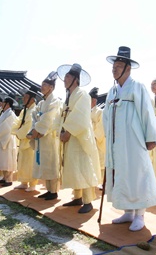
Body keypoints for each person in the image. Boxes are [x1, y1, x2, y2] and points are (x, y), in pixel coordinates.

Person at [102, 46, 156, 231]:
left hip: (133, 141)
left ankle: (140, 215)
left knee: (136, 174)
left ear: (128, 68)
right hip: (116, 142)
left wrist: (150, 137)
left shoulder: (137, 87)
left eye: (119, 65)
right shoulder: (112, 91)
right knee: (121, 174)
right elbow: (105, 116)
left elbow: (146, 112)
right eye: (114, 66)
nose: (115, 69)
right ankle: (128, 212)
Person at [57, 63, 101, 214]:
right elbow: (62, 116)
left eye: (68, 77)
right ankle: (77, 197)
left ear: (75, 79)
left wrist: (67, 132)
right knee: (73, 166)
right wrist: (60, 131)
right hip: (70, 137)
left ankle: (88, 201)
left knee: (83, 166)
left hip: (79, 136)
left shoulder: (82, 94)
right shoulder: (69, 97)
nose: (64, 79)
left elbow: (80, 116)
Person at [30, 71, 62, 200]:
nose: (42, 87)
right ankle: (48, 189)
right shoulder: (41, 103)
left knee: (51, 163)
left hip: (50, 137)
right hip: (41, 136)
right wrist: (34, 129)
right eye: (42, 84)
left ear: (51, 88)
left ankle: (54, 191)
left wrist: (39, 130)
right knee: (44, 163)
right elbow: (34, 116)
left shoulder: (55, 101)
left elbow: (50, 118)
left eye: (45, 85)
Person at [13, 86, 40, 192]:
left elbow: (29, 126)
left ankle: (32, 184)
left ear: (32, 99)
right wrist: (16, 132)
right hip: (23, 140)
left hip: (30, 141)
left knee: (30, 163)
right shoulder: (24, 110)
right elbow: (17, 123)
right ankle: (24, 182)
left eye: (26, 97)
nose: (23, 99)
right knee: (23, 162)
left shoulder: (34, 110)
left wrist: (18, 133)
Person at [0, 96, 18, 187]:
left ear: (7, 104)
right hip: (2, 138)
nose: (1, 104)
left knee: (7, 160)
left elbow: (6, 127)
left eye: (3, 103)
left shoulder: (10, 114)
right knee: (2, 160)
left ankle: (9, 179)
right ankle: (4, 178)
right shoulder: (3, 113)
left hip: (7, 140)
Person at [89, 87, 106, 188]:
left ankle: (102, 182)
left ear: (94, 101)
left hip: (97, 140)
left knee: (100, 162)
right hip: (89, 139)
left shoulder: (100, 112)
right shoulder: (86, 111)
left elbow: (101, 126)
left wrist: (95, 136)